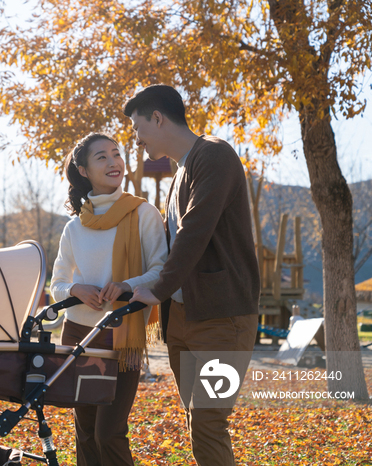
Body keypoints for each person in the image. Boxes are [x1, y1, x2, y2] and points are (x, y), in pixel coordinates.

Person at [125, 84, 260, 466]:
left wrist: (158, 288)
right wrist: (136, 285)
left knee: (207, 420)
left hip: (223, 316)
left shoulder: (214, 155)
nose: (137, 141)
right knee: (198, 421)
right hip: (183, 320)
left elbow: (195, 230)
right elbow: (170, 246)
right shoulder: (179, 174)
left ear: (157, 118)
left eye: (138, 129)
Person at [50, 132, 167, 466]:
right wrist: (76, 290)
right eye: (102, 157)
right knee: (85, 431)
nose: (114, 162)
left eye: (117, 154)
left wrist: (126, 285)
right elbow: (57, 283)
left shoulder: (143, 214)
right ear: (84, 170)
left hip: (122, 335)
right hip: (77, 335)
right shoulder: (74, 227)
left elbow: (161, 271)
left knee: (109, 433)